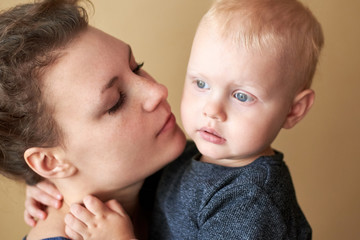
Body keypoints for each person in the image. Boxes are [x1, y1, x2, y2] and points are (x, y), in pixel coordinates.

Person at [25, 0, 324, 239]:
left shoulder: (252, 203)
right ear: (49, 161)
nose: (211, 110)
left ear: (293, 111)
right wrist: (45, 180)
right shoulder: (190, 161)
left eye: (242, 96)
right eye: (201, 84)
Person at [0, 0, 186, 239]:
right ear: (49, 162)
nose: (158, 91)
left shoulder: (169, 179)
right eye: (116, 102)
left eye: (136, 67)